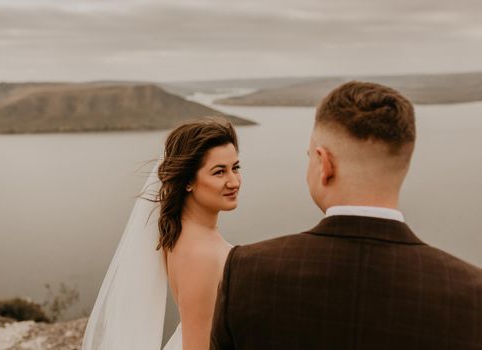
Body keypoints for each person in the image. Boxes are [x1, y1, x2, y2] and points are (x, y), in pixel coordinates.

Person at [211, 81, 482, 349]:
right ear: (403, 164)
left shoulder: (248, 271)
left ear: (324, 164)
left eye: (309, 157)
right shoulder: (471, 293)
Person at [82, 118, 241, 350]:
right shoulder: (199, 254)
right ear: (188, 181)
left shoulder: (181, 232)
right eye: (219, 172)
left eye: (236, 167)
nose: (234, 181)